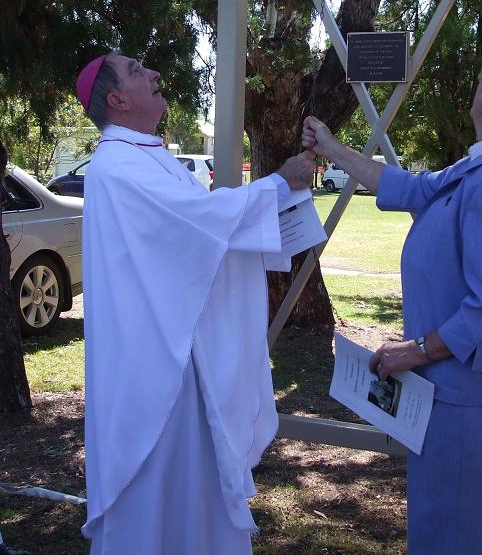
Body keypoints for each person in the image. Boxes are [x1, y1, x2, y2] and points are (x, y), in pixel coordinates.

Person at [302, 37, 482, 555]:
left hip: (474, 408)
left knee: (464, 536)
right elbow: (409, 187)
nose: (480, 72)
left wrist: (414, 350)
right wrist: (332, 147)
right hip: (460, 400)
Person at [75, 52, 315, 554]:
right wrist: (278, 184)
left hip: (183, 359)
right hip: (155, 377)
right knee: (158, 498)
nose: (156, 73)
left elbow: (203, 231)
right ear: (117, 99)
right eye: (138, 72)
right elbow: (202, 224)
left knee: (193, 500)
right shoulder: (116, 166)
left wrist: (280, 193)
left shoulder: (147, 156)